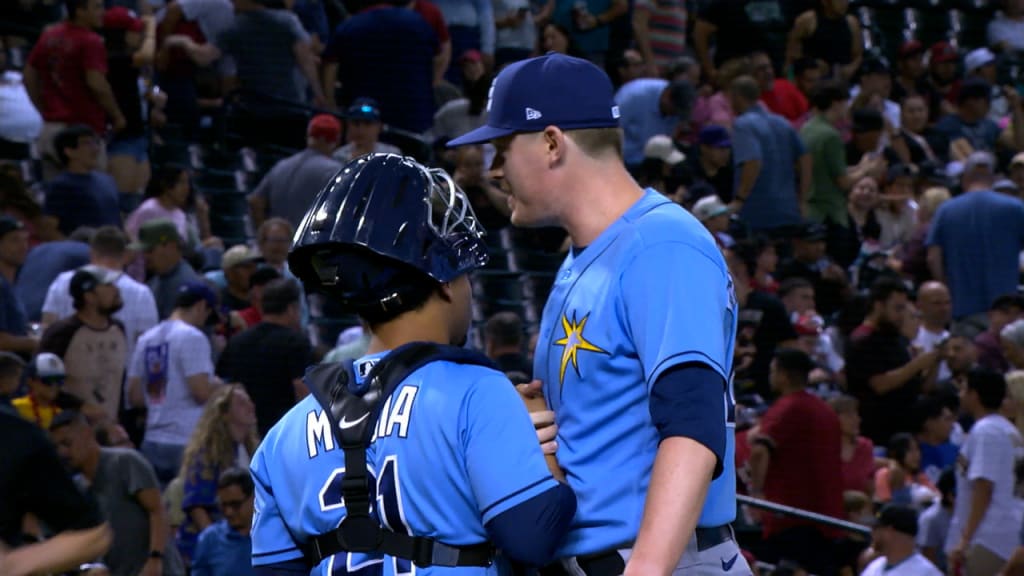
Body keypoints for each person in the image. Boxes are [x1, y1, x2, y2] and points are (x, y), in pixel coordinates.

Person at [448, 52, 747, 574]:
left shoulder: (661, 243)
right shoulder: (587, 254)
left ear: (551, 143)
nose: (492, 169)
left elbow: (694, 430)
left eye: (500, 148)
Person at [252, 153, 576, 574]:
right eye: (464, 276)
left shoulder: (281, 437)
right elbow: (534, 537)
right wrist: (542, 454)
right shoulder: (478, 392)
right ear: (443, 281)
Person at [0, 406, 112, 576]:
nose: (63, 451)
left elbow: (94, 534)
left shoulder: (17, 438)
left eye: (67, 443)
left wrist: (11, 564)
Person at [190, 468, 256, 576]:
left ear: (253, 498)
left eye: (235, 505)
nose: (229, 512)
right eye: (224, 505)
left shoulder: (273, 536)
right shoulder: (210, 539)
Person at [861, 504, 942, 576]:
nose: (872, 534)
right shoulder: (875, 566)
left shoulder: (926, 573)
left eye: (875, 529)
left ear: (889, 531)